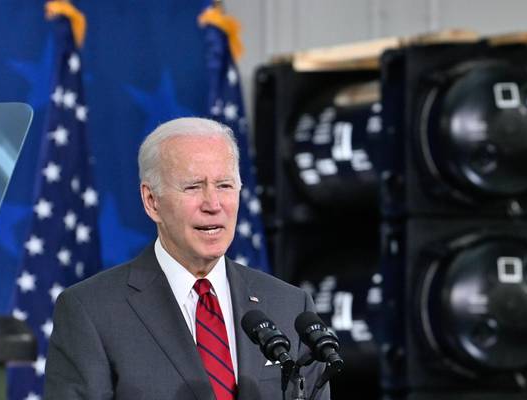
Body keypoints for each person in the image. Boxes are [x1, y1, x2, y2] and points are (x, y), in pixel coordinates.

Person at [45, 117, 329, 399]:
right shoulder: (91, 312)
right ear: (152, 201)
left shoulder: (290, 307)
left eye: (224, 185)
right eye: (193, 187)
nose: (213, 204)